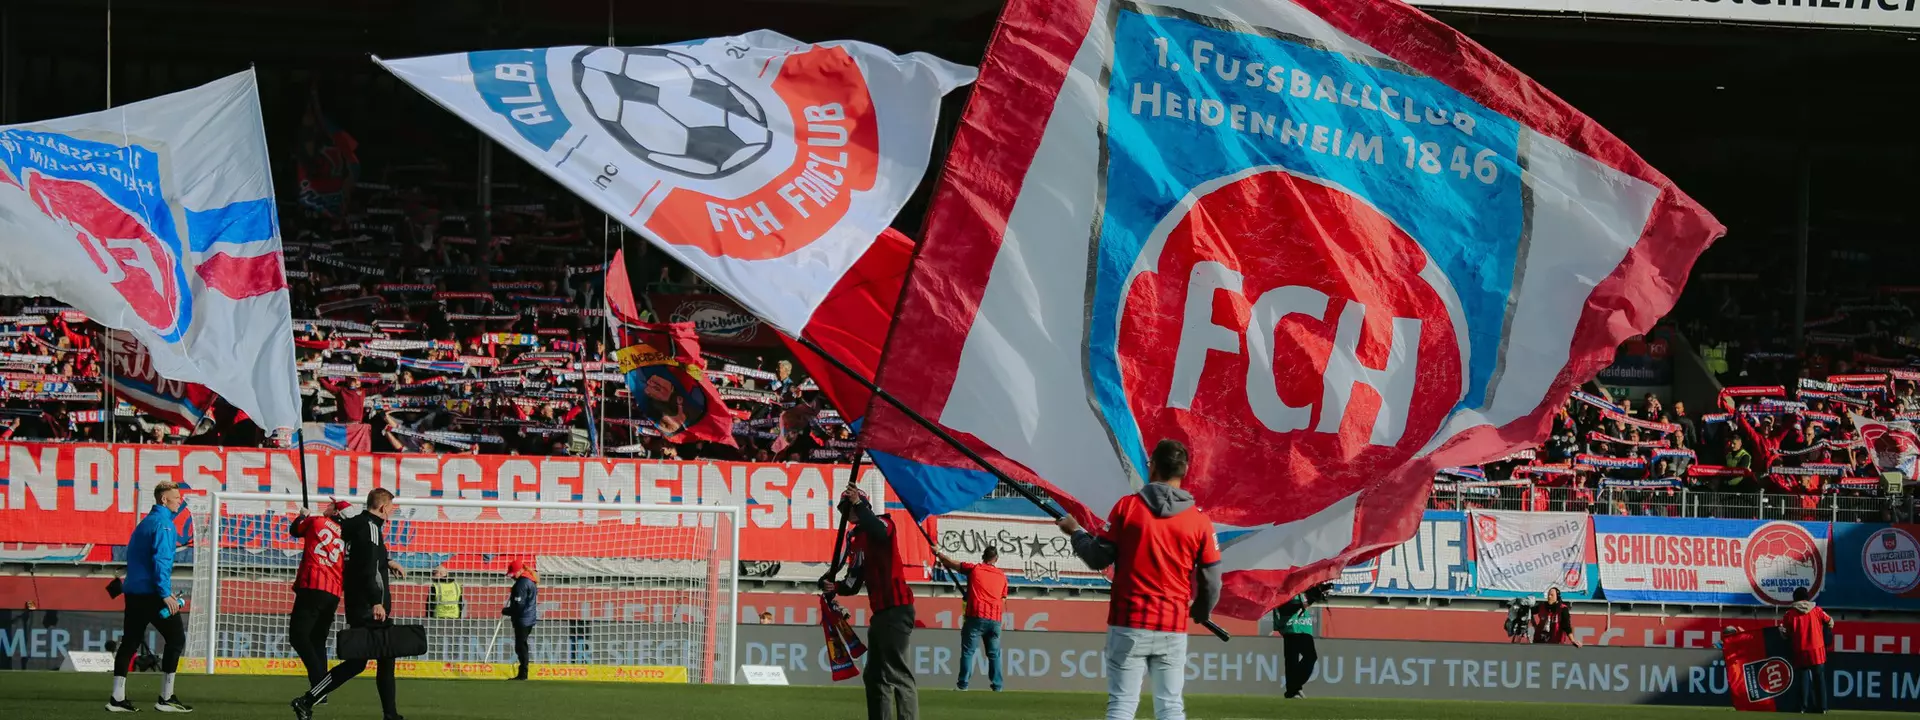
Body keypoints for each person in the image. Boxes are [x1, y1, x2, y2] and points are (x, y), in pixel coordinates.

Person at [1058, 439, 1221, 720]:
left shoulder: (1127, 507)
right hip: (1171, 623)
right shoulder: (1199, 521)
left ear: (1153, 467)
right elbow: (1212, 580)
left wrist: (1076, 533)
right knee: (1170, 706)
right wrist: (1202, 609)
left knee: (1121, 704)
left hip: (1128, 621)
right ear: (1184, 471)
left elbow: (1098, 558)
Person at [291, 488, 407, 720]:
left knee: (362, 662)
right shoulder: (371, 528)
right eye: (391, 508)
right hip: (369, 606)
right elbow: (369, 568)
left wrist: (387, 560)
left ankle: (309, 700)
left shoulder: (352, 528)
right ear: (383, 507)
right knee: (381, 656)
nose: (392, 512)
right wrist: (376, 601)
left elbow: (363, 557)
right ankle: (308, 700)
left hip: (355, 603)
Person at [826, 486, 916, 720]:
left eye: (851, 507)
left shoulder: (885, 523)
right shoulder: (857, 540)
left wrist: (857, 503)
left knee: (898, 674)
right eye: (845, 509)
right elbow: (853, 582)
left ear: (863, 505)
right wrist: (834, 587)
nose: (848, 513)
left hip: (897, 608)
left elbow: (879, 531)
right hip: (880, 613)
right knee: (875, 676)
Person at [108, 482, 192, 713]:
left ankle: (116, 699)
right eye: (176, 497)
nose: (179, 501)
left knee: (130, 642)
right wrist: (165, 593)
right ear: (164, 499)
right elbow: (161, 561)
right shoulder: (164, 525)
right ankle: (166, 699)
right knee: (176, 639)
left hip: (133, 592)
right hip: (152, 593)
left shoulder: (144, 524)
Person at [289, 499, 351, 689]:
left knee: (298, 637)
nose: (328, 506)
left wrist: (302, 516)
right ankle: (319, 694)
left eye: (332, 506)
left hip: (313, 584)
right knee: (317, 640)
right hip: (333, 591)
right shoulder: (349, 535)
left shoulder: (317, 521)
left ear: (336, 513)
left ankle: (320, 684)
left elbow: (295, 531)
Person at [933, 547, 1008, 692]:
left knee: (968, 652)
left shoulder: (975, 569)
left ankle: (963, 685)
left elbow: (951, 563)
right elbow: (1003, 599)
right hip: (995, 619)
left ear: (983, 556)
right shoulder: (1002, 576)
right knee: (994, 654)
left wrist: (938, 553)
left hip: (976, 617)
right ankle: (997, 686)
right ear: (996, 559)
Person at [1782, 587, 1835, 714]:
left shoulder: (1790, 614)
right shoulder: (1817, 610)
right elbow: (1830, 621)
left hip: (1800, 650)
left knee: (1802, 680)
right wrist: (1826, 633)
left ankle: (1802, 707)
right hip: (1817, 650)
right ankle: (1822, 708)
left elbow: (1786, 633)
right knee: (1819, 679)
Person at [1272, 593, 1317, 698]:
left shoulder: (1303, 589)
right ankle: (1293, 689)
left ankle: (1293, 687)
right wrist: (1304, 603)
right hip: (1290, 626)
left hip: (1303, 626)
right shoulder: (1283, 590)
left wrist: (1316, 595)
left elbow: (1307, 601)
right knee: (1292, 660)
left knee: (1309, 657)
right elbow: (1284, 609)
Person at [505, 559, 540, 681]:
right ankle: (523, 673)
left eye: (513, 574)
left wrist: (508, 611)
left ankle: (523, 673)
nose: (512, 577)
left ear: (520, 571)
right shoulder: (530, 580)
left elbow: (519, 605)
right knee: (521, 645)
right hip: (528, 617)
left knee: (521, 646)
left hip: (523, 618)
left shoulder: (522, 583)